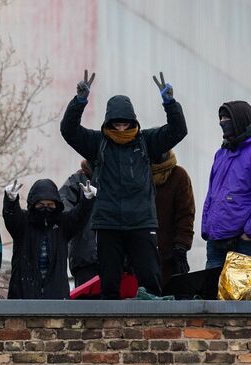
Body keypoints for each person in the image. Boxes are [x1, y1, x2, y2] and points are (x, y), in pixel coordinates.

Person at [60, 70, 188, 299]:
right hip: (108, 224)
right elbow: (68, 131)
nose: (121, 129)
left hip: (141, 222)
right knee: (109, 285)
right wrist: (79, 102)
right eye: (116, 124)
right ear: (109, 123)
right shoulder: (97, 143)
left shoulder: (146, 141)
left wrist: (170, 103)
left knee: (150, 282)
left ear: (132, 122)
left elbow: (178, 131)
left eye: (125, 124)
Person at [201, 101, 251, 268]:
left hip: (245, 245)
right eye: (221, 118)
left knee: (242, 293)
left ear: (240, 119)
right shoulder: (221, 154)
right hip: (215, 241)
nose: (222, 122)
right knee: (210, 292)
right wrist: (206, 228)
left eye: (227, 117)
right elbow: (212, 194)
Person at [4, 178, 96, 299]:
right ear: (33, 205)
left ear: (56, 205)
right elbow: (11, 216)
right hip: (23, 295)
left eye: (50, 205)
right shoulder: (23, 223)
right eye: (41, 205)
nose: (45, 208)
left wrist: (87, 200)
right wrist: (10, 201)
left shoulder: (63, 224)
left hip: (56, 296)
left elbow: (80, 216)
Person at [151, 150, 195, 285]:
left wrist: (181, 247)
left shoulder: (179, 176)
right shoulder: (139, 175)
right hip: (143, 251)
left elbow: (186, 214)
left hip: (171, 253)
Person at [59, 160, 98, 286]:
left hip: (117, 259)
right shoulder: (77, 180)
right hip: (86, 259)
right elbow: (63, 213)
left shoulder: (118, 180)